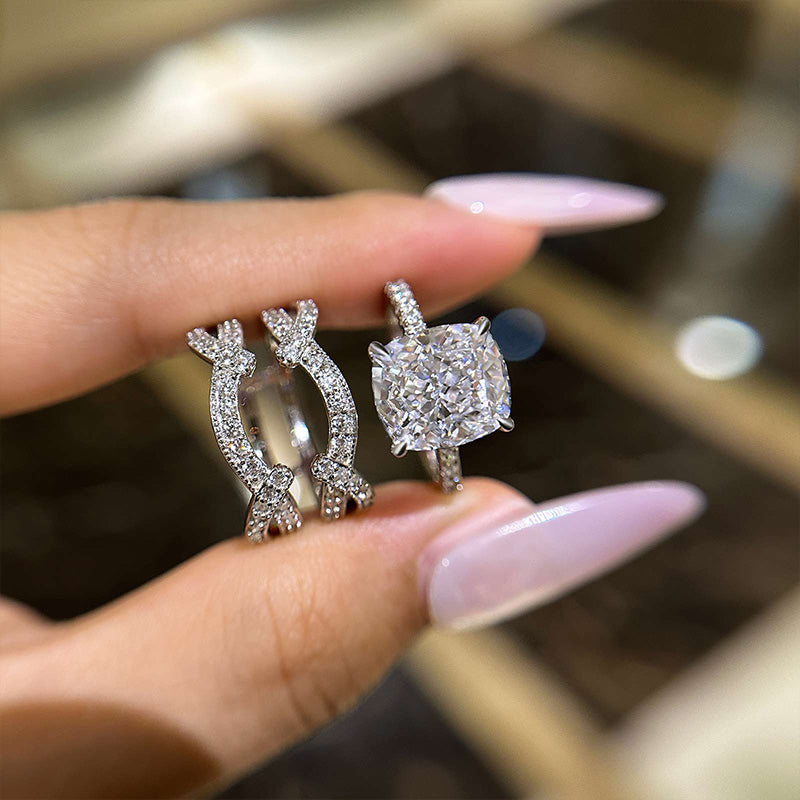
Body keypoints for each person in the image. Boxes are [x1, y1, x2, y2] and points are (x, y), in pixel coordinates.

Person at [0, 191, 701, 797]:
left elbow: (321, 410)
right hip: (299, 462)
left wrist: (296, 356)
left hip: (316, 456)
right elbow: (299, 414)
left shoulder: (340, 417)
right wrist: (268, 367)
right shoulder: (293, 426)